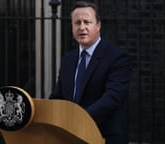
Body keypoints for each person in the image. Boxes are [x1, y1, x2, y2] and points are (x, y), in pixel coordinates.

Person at [49, 1, 133, 144]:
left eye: (87, 22)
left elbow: (112, 98)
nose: (82, 27)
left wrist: (79, 120)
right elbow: (59, 96)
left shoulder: (117, 57)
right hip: (71, 137)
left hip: (104, 136)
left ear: (98, 25)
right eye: (77, 23)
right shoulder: (68, 60)